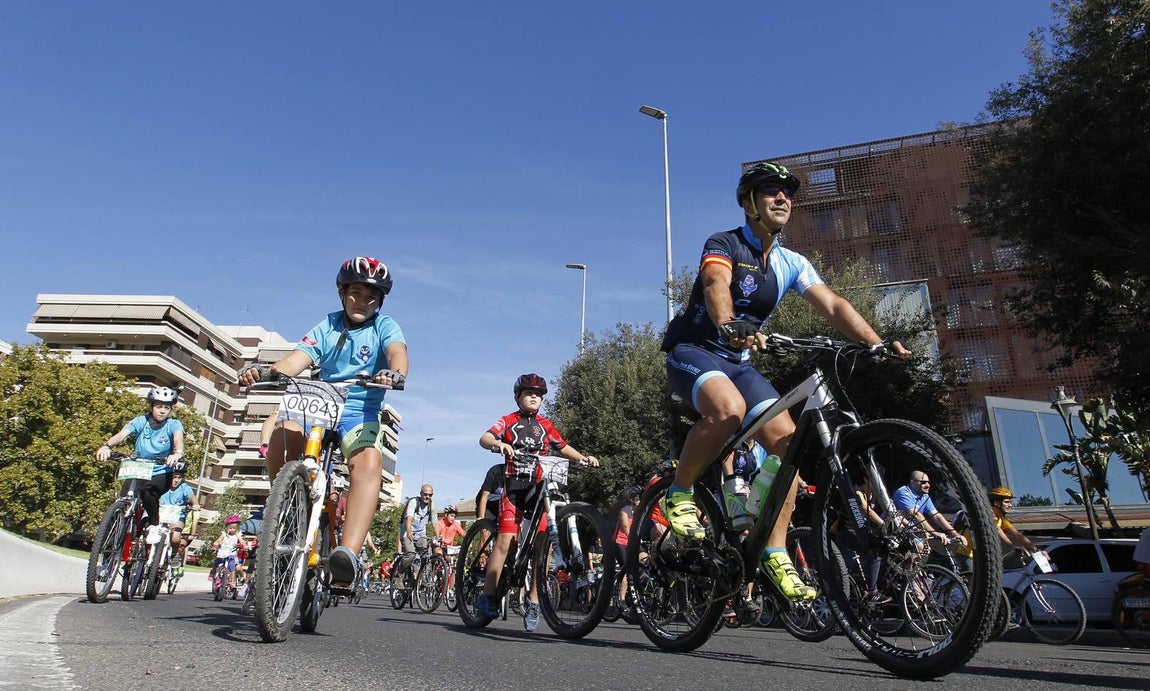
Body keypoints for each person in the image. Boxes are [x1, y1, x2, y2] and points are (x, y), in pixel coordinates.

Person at [659, 162, 910, 602]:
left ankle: (773, 550)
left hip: (738, 362)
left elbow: (832, 304)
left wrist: (876, 343)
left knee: (789, 445)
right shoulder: (725, 243)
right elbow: (716, 281)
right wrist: (727, 322)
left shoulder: (791, 262)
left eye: (787, 193)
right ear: (749, 202)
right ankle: (678, 495)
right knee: (728, 409)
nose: (782, 199)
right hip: (694, 352)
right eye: (770, 191)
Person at [238, 256, 407, 588]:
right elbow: (296, 360)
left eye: (372, 296)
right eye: (356, 293)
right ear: (342, 292)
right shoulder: (327, 325)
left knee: (368, 462)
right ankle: (282, 508)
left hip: (359, 410)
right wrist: (267, 372)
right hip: (319, 404)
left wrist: (395, 373)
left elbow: (397, 352)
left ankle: (348, 554)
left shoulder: (384, 326)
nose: (363, 302)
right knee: (283, 433)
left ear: (380, 301)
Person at [475, 373, 599, 632]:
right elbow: (485, 438)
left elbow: (562, 446)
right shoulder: (509, 420)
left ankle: (533, 599)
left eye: (539, 394)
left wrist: (583, 458)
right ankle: (487, 595)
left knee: (544, 547)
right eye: (529, 392)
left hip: (539, 490)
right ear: (518, 396)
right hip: (514, 489)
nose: (535, 397)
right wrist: (499, 445)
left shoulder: (545, 424)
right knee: (505, 541)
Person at [96, 386, 187, 529]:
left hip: (160, 471)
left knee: (148, 493)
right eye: (159, 406)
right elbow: (122, 435)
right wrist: (106, 446)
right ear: (151, 407)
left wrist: (177, 453)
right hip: (138, 469)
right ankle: (110, 545)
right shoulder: (140, 421)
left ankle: (153, 525)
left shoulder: (174, 424)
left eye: (166, 407)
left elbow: (178, 440)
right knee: (122, 502)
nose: (162, 410)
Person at [955, 486, 1041, 570]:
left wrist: (1037, 551)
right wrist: (1013, 545)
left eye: (1010, 502)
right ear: (996, 503)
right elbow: (997, 530)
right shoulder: (988, 514)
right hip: (966, 551)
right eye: (1007, 502)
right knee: (972, 580)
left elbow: (1017, 535)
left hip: (982, 554)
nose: (1010, 505)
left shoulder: (1001, 518)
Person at [892, 471, 967, 549]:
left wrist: (955, 534)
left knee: (926, 550)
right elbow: (915, 514)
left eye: (928, 482)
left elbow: (936, 516)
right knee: (920, 548)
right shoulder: (903, 493)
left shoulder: (925, 496)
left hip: (911, 528)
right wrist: (934, 533)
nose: (927, 485)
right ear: (912, 482)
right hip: (895, 527)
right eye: (923, 482)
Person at [158, 470, 200, 573]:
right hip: (160, 515)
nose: (176, 480)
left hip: (177, 517)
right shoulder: (162, 484)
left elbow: (191, 496)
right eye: (174, 477)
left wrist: (196, 504)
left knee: (176, 538)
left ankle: (174, 555)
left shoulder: (184, 487)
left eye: (179, 477)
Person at [614, 486, 641, 612]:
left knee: (646, 562)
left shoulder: (641, 512)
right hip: (621, 542)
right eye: (637, 499)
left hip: (633, 543)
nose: (640, 501)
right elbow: (626, 529)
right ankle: (622, 599)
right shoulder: (625, 511)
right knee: (627, 568)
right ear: (632, 500)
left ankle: (638, 594)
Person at [212, 515, 246, 590]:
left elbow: (241, 541)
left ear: (237, 528)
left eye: (234, 528)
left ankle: (232, 582)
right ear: (227, 528)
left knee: (232, 567)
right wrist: (216, 543)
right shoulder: (224, 534)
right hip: (222, 552)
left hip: (231, 553)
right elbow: (219, 539)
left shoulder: (238, 534)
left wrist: (244, 545)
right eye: (230, 528)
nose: (232, 530)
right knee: (217, 562)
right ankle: (213, 572)